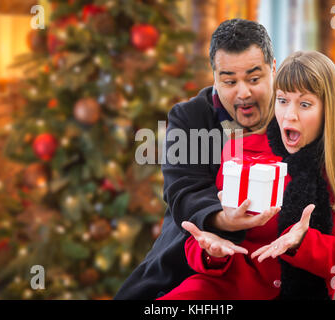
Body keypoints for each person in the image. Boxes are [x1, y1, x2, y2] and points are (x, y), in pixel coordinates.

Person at [158, 51, 335, 300]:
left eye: (304, 104)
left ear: (328, 110)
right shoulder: (242, 151)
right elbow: (199, 239)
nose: (289, 115)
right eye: (282, 100)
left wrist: (304, 242)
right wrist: (212, 252)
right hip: (222, 289)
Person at [114, 19, 277, 299]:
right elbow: (183, 191)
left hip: (267, 271)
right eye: (229, 81)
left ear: (273, 69)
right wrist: (223, 219)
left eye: (254, 78)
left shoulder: (292, 117)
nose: (243, 92)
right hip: (186, 264)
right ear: (214, 77)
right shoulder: (189, 118)